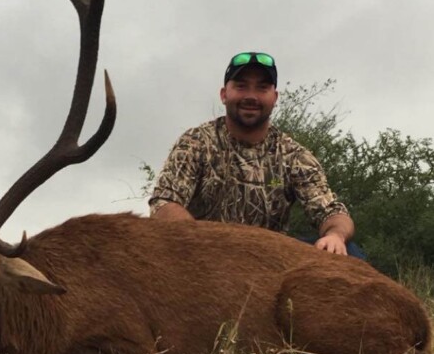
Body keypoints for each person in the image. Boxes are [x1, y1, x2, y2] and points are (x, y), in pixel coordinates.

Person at [149, 51, 362, 258]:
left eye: (262, 88)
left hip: (267, 261)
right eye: (241, 86)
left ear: (275, 97)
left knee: (348, 251)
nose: (251, 96)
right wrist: (198, 240)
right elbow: (164, 202)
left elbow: (332, 212)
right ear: (224, 95)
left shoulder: (294, 156)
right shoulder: (195, 142)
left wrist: (335, 235)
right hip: (203, 252)